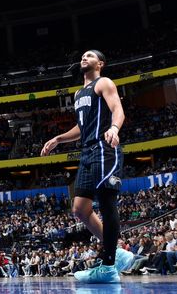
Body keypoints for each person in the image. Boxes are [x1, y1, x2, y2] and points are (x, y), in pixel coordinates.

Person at [40, 50, 135, 283]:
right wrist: (58, 139)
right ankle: (118, 252)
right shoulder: (78, 93)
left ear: (100, 63)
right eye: (83, 56)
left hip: (104, 148)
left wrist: (114, 128)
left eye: (89, 56)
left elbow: (117, 110)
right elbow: (82, 127)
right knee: (80, 210)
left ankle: (109, 264)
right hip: (86, 152)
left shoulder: (104, 83)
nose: (84, 58)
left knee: (106, 202)